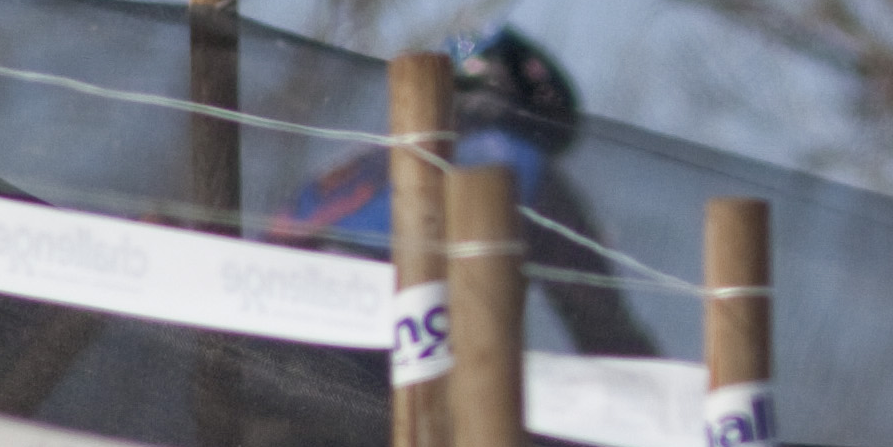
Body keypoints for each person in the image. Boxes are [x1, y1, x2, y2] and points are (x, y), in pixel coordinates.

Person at [267, 25, 663, 358]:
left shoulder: (362, 159)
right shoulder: (514, 164)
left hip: (264, 337)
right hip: (377, 365)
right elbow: (596, 314)